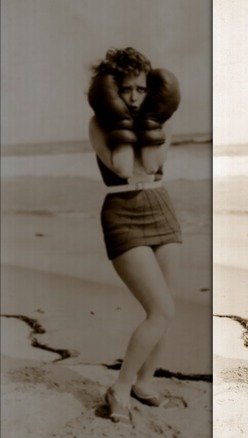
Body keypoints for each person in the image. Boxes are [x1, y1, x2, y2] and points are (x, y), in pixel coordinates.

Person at [88, 47, 182, 423]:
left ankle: (144, 383)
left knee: (165, 311)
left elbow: (154, 164)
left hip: (160, 207)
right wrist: (123, 122)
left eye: (140, 89)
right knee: (160, 311)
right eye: (125, 90)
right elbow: (126, 167)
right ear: (112, 90)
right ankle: (120, 388)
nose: (133, 97)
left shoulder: (160, 118)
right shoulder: (99, 123)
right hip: (121, 212)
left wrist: (149, 121)